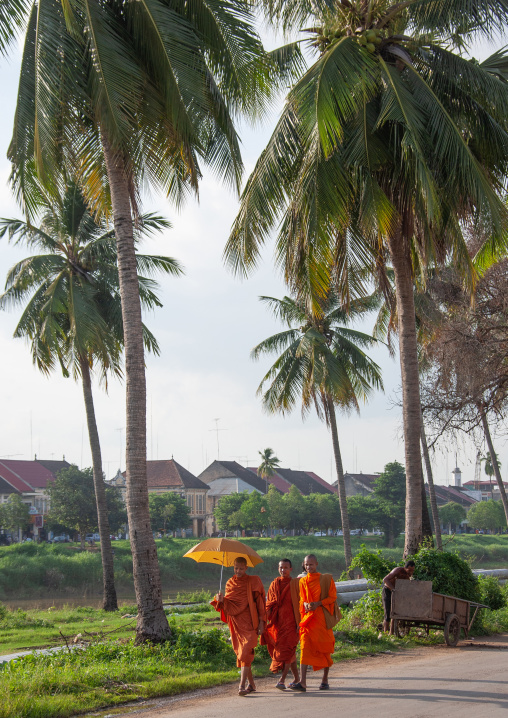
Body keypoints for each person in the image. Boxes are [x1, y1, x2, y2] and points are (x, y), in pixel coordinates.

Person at [212, 557, 266, 696]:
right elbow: (229, 603)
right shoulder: (230, 582)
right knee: (243, 654)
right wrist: (221, 600)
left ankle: (241, 685)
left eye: (241, 568)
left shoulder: (253, 581)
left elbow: (260, 603)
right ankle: (251, 685)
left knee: (245, 651)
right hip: (236, 622)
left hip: (250, 622)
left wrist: (261, 622)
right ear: (233, 567)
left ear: (246, 568)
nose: (238, 571)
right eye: (236, 568)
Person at [290, 554, 337, 692]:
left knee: (324, 650)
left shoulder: (326, 579)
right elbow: (301, 600)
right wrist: (305, 605)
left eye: (311, 564)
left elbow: (332, 597)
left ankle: (325, 680)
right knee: (304, 649)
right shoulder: (302, 581)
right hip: (308, 621)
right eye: (306, 565)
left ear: (317, 564)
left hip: (321, 620)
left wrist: (318, 603)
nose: (309, 567)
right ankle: (303, 682)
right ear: (303, 565)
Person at [262, 558, 301, 690]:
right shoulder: (274, 584)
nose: (283, 570)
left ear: (291, 569)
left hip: (292, 622)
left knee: (287, 651)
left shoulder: (295, 584)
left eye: (285, 567)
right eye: (281, 567)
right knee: (289, 652)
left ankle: (282, 680)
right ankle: (297, 678)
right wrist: (265, 617)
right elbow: (269, 603)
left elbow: (299, 604)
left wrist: (299, 622)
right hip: (278, 623)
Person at [382, 560, 416, 633]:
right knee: (387, 613)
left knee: (395, 613)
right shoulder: (398, 570)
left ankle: (391, 633)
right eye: (409, 570)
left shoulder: (408, 577)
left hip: (397, 593)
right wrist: (393, 589)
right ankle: (385, 633)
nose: (411, 572)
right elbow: (385, 579)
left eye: (412, 571)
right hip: (388, 591)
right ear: (405, 568)